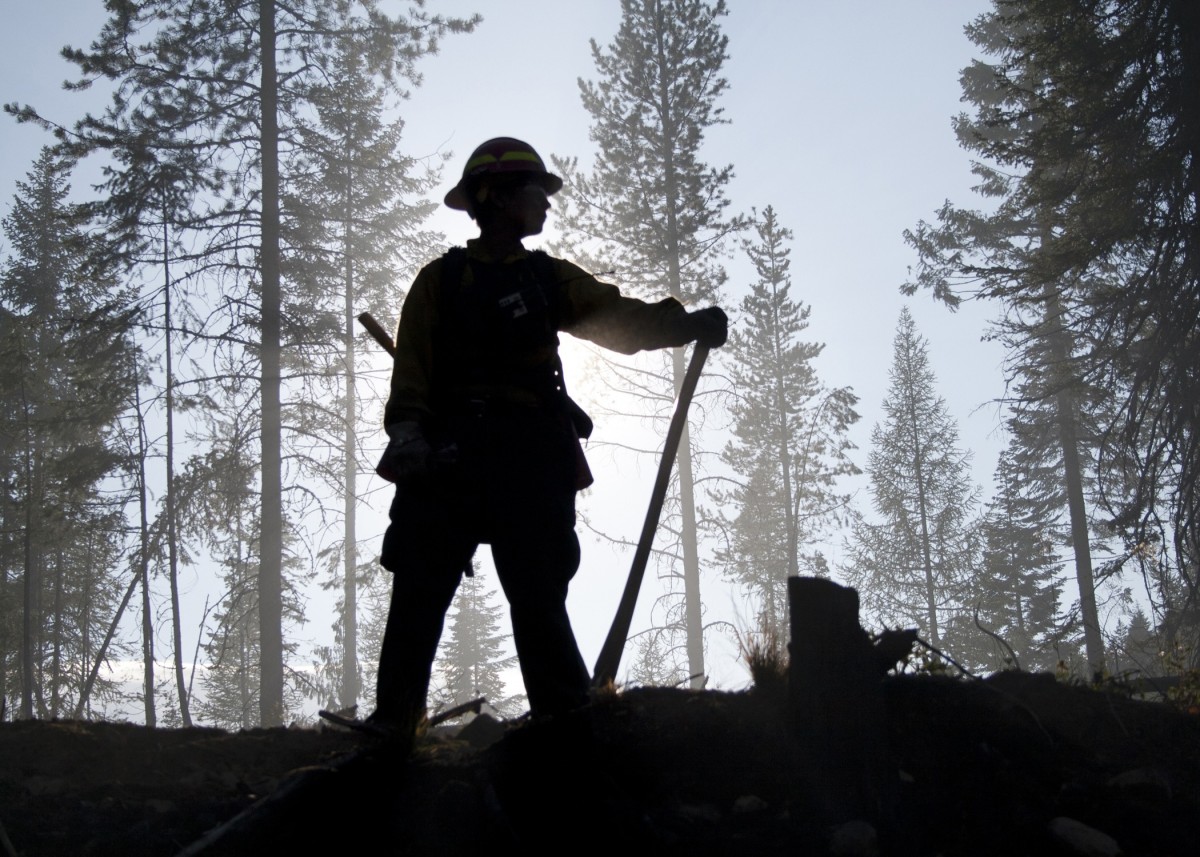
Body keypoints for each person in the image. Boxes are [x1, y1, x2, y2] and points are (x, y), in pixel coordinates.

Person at [372, 137, 726, 733]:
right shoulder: (441, 281)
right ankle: (396, 725)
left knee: (537, 592)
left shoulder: (546, 279)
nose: (547, 204)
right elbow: (413, 369)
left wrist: (682, 325)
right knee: (420, 587)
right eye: (537, 191)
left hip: (528, 455)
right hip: (449, 456)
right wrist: (409, 437)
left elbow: (615, 319)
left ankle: (563, 719)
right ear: (500, 197)